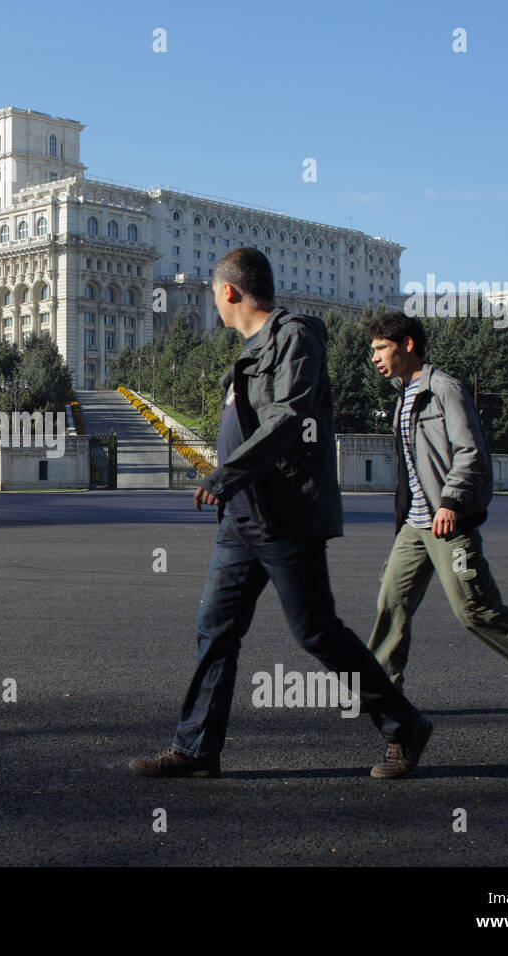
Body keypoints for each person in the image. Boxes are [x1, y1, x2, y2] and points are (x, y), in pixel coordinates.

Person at [129, 249, 434, 780]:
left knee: (316, 631)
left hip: (284, 512)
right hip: (241, 519)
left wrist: (226, 475)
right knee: (215, 631)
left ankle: (405, 725)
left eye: (212, 295)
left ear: (227, 292)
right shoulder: (249, 350)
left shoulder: (293, 336)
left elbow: (288, 419)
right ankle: (197, 748)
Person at [365, 312, 508, 719]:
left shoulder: (444, 389)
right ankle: (381, 693)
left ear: (407, 345)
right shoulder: (403, 393)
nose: (375, 358)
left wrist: (451, 502)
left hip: (448, 524)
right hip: (415, 525)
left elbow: (470, 451)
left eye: (381, 348)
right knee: (391, 603)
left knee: (474, 611)